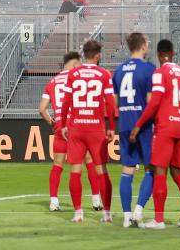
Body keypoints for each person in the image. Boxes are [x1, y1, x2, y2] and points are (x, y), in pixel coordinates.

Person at [128, 39, 180, 229]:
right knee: (178, 173)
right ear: (173, 53)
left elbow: (155, 102)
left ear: (159, 55)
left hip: (165, 128)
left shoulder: (160, 73)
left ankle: (159, 220)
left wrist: (139, 125)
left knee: (159, 171)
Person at [59, 40, 116, 224]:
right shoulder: (104, 74)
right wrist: (112, 127)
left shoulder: (73, 73)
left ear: (83, 54)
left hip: (76, 127)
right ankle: (106, 214)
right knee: (102, 171)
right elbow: (110, 103)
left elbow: (66, 101)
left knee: (75, 170)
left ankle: (78, 213)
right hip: (95, 129)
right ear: (98, 55)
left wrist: (63, 124)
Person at [39, 52, 103, 213]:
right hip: (76, 124)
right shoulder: (76, 79)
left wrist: (52, 122)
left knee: (57, 165)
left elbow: (42, 109)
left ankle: (54, 201)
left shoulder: (52, 82)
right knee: (89, 162)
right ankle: (96, 200)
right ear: (75, 64)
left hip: (60, 126)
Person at [112, 33, 156, 228]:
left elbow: (115, 101)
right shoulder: (148, 69)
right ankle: (138, 212)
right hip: (143, 125)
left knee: (127, 170)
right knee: (151, 169)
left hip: (125, 123)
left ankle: (126, 217)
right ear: (143, 46)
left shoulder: (119, 70)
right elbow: (150, 101)